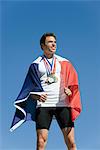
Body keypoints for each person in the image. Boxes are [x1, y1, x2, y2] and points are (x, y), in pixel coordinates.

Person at [10, 33, 82, 150]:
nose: (53, 44)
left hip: (63, 104)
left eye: (54, 42)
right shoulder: (36, 64)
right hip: (43, 106)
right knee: (41, 142)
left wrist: (69, 90)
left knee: (71, 142)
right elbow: (28, 90)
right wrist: (36, 96)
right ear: (42, 46)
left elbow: (72, 83)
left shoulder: (64, 62)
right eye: (50, 42)